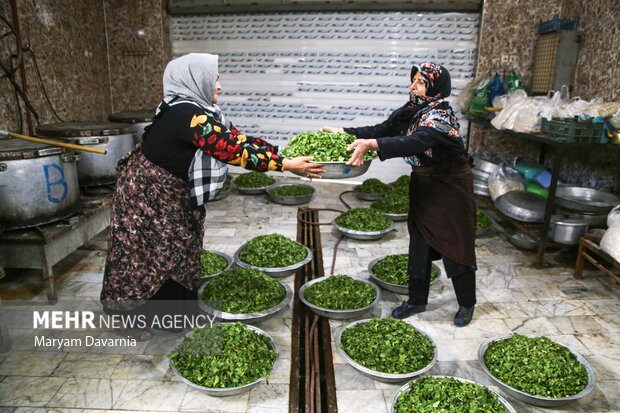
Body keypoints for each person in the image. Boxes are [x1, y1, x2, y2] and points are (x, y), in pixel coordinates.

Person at [101, 53, 324, 339]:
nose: (218, 84)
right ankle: (127, 316)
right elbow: (229, 150)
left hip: (169, 193)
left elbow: (237, 139)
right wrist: (284, 165)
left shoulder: (199, 111)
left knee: (177, 249)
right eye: (214, 78)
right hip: (146, 197)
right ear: (194, 79)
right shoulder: (186, 114)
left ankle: (167, 315)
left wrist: (281, 152)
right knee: (145, 255)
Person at [323, 62, 477, 327]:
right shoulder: (412, 111)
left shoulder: (440, 117)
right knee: (419, 243)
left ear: (435, 88)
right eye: (413, 80)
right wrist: (345, 133)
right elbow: (382, 130)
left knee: (455, 247)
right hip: (424, 186)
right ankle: (417, 300)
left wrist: (374, 145)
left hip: (450, 189)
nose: (413, 85)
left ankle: (467, 304)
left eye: (420, 81)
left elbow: (415, 142)